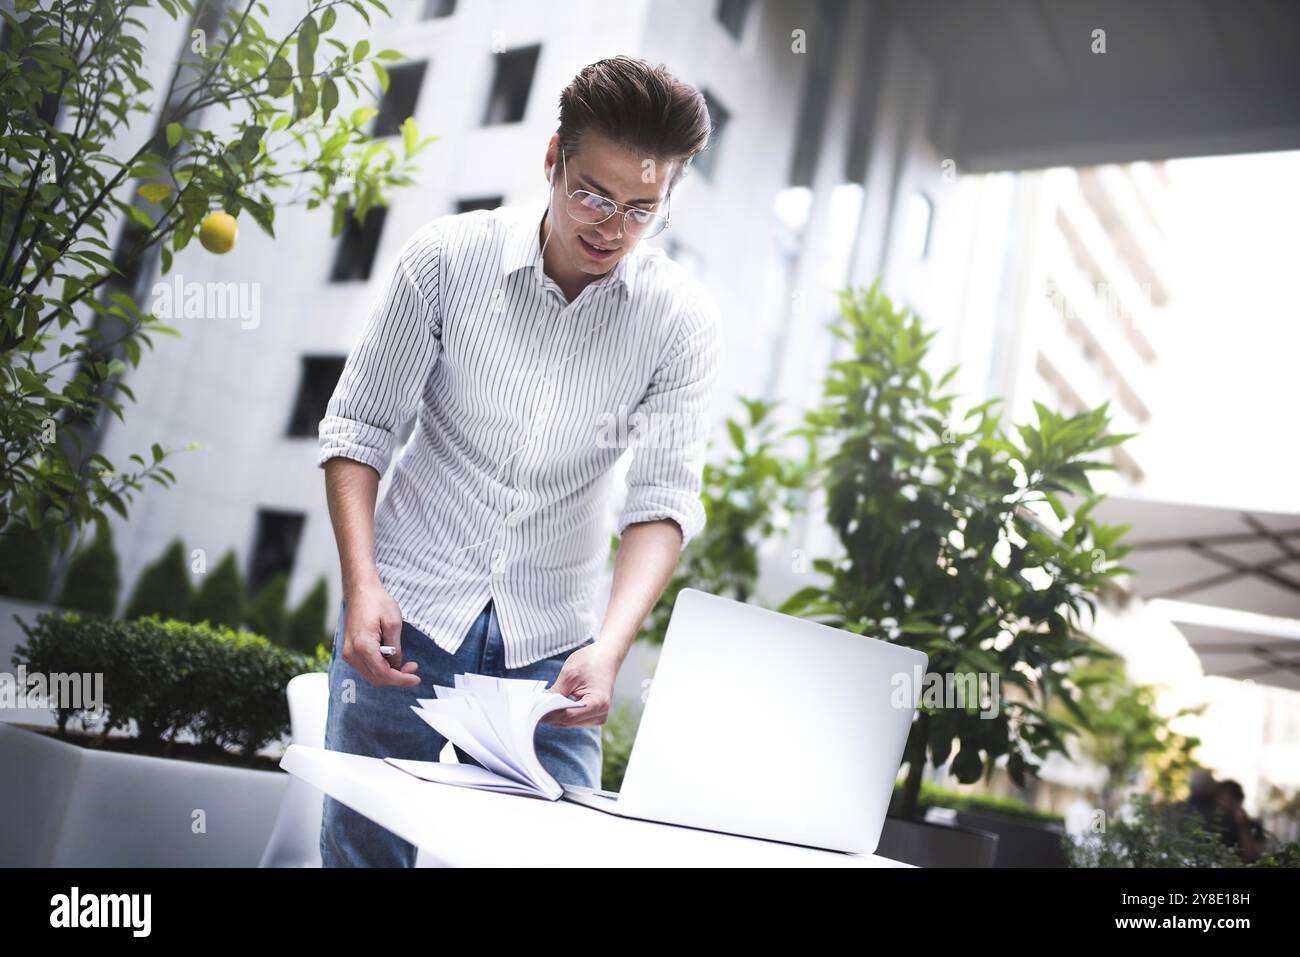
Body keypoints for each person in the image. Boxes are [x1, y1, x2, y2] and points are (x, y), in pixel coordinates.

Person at [315, 56, 720, 867]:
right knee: (364, 860)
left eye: (642, 209)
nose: (611, 227)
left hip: (555, 652)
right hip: (407, 618)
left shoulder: (678, 321)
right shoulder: (446, 260)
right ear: (552, 160)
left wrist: (609, 645)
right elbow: (360, 428)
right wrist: (364, 585)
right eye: (592, 195)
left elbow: (662, 500)